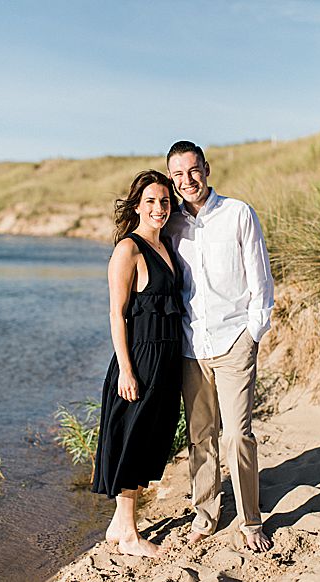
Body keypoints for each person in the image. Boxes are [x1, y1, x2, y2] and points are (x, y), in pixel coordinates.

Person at [164, 140, 276, 552]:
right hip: (191, 345)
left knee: (238, 436)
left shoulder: (238, 214)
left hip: (234, 342)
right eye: (177, 174)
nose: (186, 180)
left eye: (193, 171)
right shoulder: (171, 224)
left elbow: (260, 278)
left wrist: (254, 333)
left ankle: (250, 520)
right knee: (200, 435)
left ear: (206, 169)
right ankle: (206, 513)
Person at [92, 169, 185, 558]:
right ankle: (129, 534)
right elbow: (116, 314)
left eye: (165, 201)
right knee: (132, 439)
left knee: (150, 438)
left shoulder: (166, 245)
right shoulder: (128, 250)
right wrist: (127, 371)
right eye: (151, 201)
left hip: (167, 355)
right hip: (141, 357)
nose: (159, 208)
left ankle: (118, 525)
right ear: (136, 205)